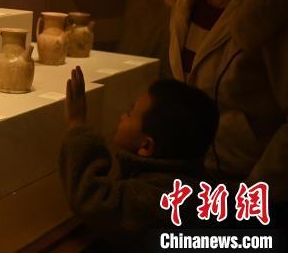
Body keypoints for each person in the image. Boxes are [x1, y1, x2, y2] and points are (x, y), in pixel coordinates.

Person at [163, 0, 288, 206]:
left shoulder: (270, 9)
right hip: (196, 180)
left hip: (248, 186)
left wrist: (255, 195)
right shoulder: (187, 3)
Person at [59, 67, 219, 247]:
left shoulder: (152, 199)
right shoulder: (189, 180)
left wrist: (76, 124)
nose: (122, 116)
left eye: (129, 113)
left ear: (146, 146)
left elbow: (91, 199)